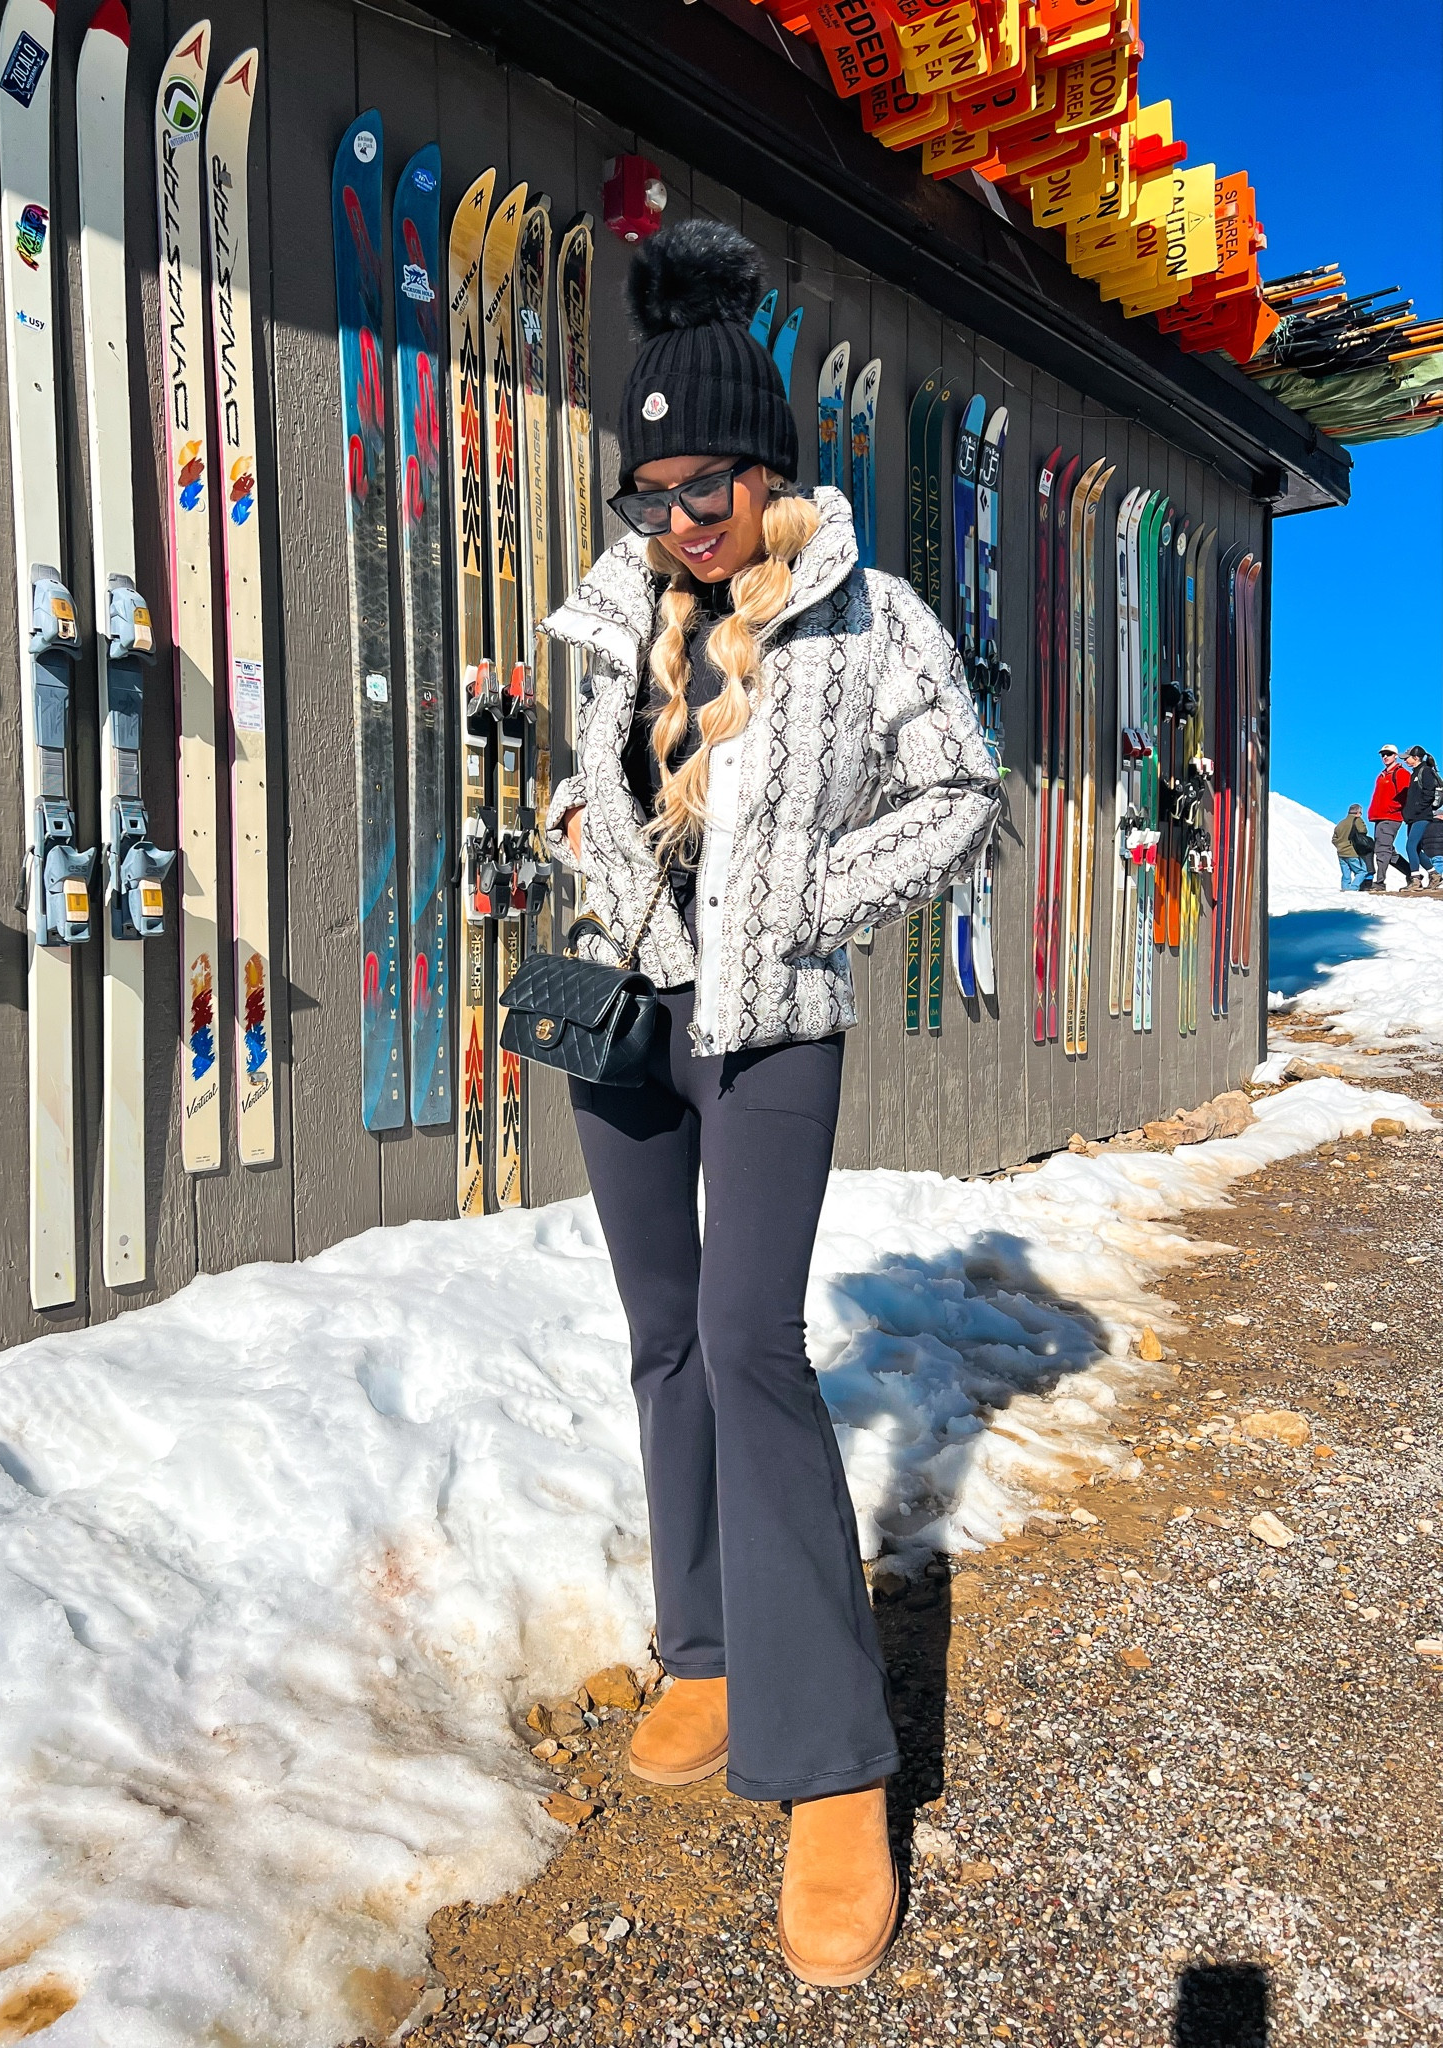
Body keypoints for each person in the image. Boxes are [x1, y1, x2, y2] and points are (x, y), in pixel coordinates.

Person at [543, 221, 1000, 1989]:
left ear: (769, 462)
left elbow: (962, 789)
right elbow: (590, 784)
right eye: (651, 484)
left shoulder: (867, 613)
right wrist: (581, 840)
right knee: (661, 1330)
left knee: (747, 1340)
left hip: (769, 1022)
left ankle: (829, 1767)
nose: (682, 513)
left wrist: (806, 897)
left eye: (708, 476)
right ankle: (708, 1643)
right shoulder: (611, 608)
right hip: (625, 1014)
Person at [1367, 744, 1411, 889]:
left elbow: (1405, 794)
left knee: (1382, 850)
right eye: (1383, 754)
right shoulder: (1382, 775)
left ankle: (1379, 883)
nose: (1385, 757)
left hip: (1391, 817)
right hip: (1380, 817)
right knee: (1389, 852)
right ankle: (1413, 874)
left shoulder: (1401, 773)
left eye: (1389, 754)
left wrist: (1392, 808)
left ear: (1395, 756)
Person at [1401, 746, 1440, 888]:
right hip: (1413, 817)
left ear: (1416, 757)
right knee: (1415, 848)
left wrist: (1416, 809)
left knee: (1410, 845)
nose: (1405, 760)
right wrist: (1408, 813)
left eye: (1407, 757)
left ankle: (1415, 879)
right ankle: (1435, 874)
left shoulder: (1426, 771)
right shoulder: (1415, 773)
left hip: (1422, 815)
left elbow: (1429, 794)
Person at [1331, 804, 1374, 891]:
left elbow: (1334, 839)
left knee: (1346, 874)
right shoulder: (1357, 820)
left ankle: (1345, 889)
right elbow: (1363, 831)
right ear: (1358, 812)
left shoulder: (1341, 823)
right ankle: (1353, 888)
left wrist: (1340, 845)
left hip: (1341, 852)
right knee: (1362, 871)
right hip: (1352, 851)